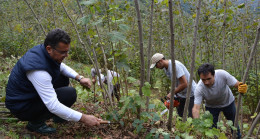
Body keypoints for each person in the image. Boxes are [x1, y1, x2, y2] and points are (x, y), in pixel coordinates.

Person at [5, 29, 100, 134]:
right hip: (22, 106)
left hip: (28, 94)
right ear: (49, 49)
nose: (66, 55)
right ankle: (35, 123)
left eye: (67, 51)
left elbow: (61, 67)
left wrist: (79, 78)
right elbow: (53, 105)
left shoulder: (44, 51)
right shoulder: (38, 71)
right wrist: (84, 118)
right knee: (69, 94)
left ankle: (58, 116)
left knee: (63, 78)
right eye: (63, 52)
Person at [192, 63, 248, 138]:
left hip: (228, 102)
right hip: (211, 107)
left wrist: (242, 88)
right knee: (211, 129)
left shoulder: (222, 75)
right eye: (203, 80)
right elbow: (196, 108)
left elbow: (237, 84)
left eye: (209, 79)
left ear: (214, 75)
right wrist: (197, 123)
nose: (206, 82)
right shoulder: (199, 88)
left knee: (234, 125)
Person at [150, 53, 196, 117]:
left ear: (160, 61)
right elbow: (176, 81)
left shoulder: (175, 66)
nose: (156, 67)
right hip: (181, 93)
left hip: (190, 93)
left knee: (191, 116)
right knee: (180, 116)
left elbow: (185, 84)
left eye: (156, 65)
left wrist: (172, 93)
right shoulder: (166, 68)